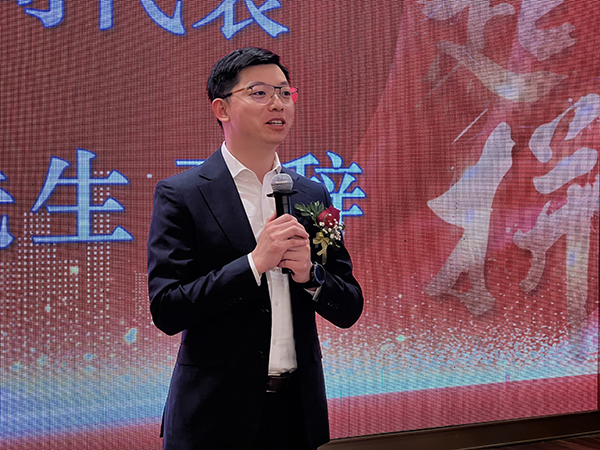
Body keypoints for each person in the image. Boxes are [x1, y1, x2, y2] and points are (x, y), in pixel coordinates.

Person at [147, 47, 363, 450]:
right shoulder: (183, 195)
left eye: (284, 92)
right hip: (213, 418)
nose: (278, 104)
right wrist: (253, 264)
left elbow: (349, 306)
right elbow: (168, 309)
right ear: (222, 109)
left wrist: (310, 275)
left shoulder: (311, 194)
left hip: (297, 415)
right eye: (260, 93)